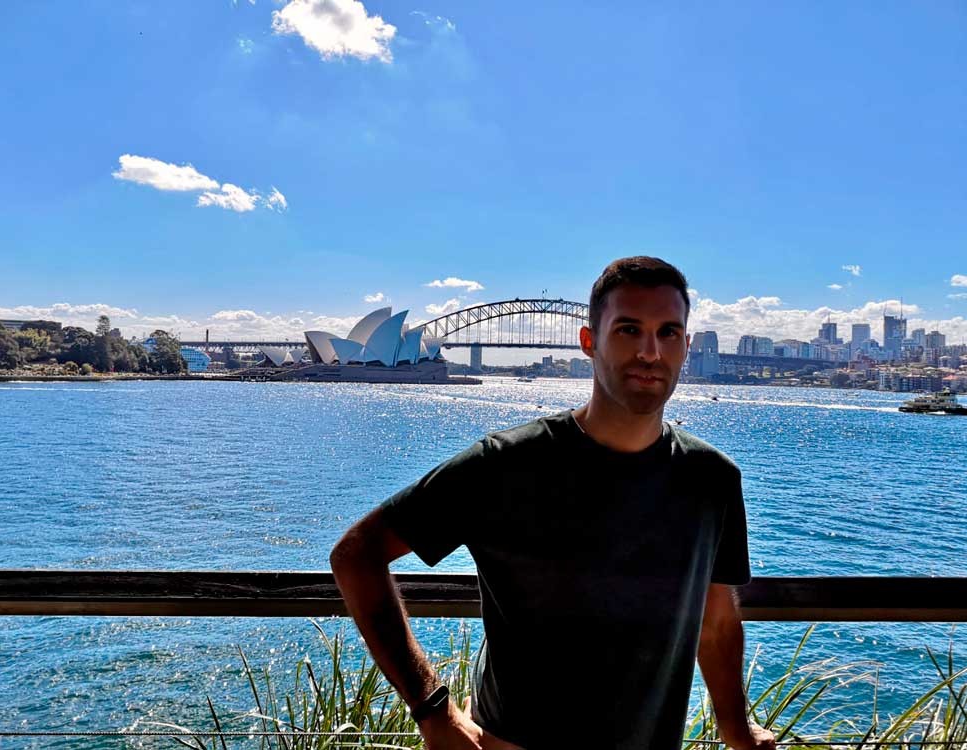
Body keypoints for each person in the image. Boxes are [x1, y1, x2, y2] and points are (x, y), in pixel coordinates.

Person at [330, 257, 776, 750]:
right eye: (629, 329)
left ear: (687, 347)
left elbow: (715, 619)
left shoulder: (712, 478)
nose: (651, 351)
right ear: (589, 342)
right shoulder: (505, 463)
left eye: (669, 333)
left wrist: (735, 726)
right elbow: (357, 553)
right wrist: (433, 708)